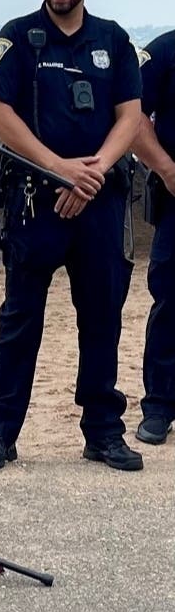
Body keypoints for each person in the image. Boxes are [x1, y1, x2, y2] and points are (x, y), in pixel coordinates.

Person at [0, 0, 143, 471]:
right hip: (33, 201)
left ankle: (103, 432)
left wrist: (88, 174)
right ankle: (0, 434)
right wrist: (58, 168)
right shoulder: (18, 36)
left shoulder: (113, 39)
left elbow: (131, 116)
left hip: (99, 202)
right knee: (20, 319)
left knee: (101, 319)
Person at [131, 30, 175, 444]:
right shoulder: (164, 50)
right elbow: (134, 118)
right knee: (170, 301)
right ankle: (159, 406)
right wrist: (167, 169)